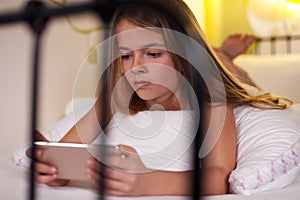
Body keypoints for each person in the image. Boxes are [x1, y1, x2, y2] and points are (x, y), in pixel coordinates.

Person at [29, 0, 290, 196]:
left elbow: (220, 174)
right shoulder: (119, 92)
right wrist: (56, 170)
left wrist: (146, 181)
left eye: (153, 54)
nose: (136, 68)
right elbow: (68, 150)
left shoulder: (210, 95)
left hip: (212, 73)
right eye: (126, 55)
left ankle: (225, 54)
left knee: (230, 72)